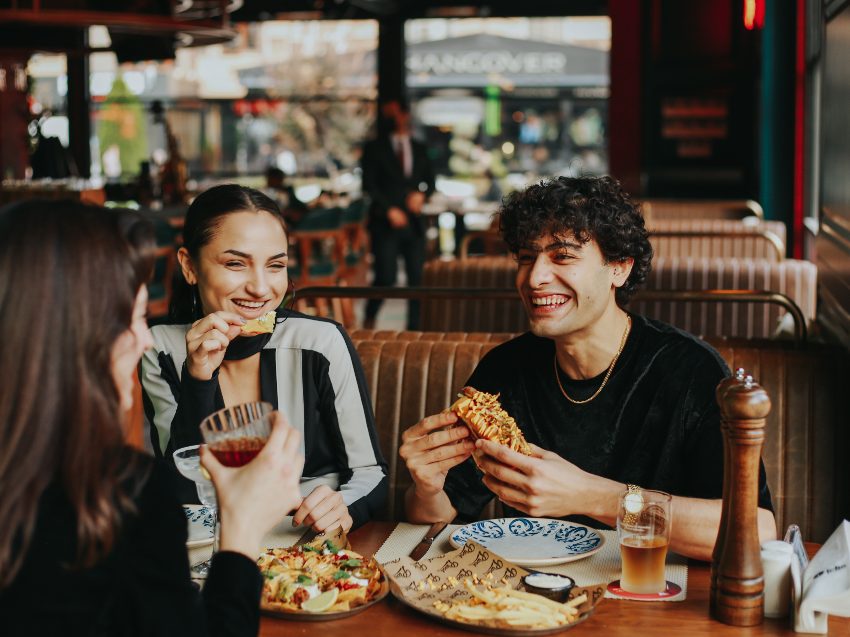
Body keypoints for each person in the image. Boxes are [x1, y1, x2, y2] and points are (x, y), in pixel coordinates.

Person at [399, 176, 776, 561]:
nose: (533, 278)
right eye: (527, 257)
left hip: (655, 592)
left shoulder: (690, 370)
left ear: (619, 268)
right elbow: (440, 516)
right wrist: (427, 488)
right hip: (531, 599)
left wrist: (594, 497)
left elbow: (757, 530)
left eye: (562, 256)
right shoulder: (505, 370)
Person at [0, 200, 304, 636]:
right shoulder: (122, 498)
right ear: (71, 333)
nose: (142, 340)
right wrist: (240, 529)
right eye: (132, 319)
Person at [140, 184, 387, 532]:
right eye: (235, 263)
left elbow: (370, 474)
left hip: (309, 545)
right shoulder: (160, 351)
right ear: (189, 266)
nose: (260, 287)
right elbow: (185, 490)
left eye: (275, 265)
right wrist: (198, 379)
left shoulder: (320, 342)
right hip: (213, 548)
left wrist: (341, 507)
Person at [361, 98, 435, 330]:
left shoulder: (420, 148)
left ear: (405, 114)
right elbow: (369, 185)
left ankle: (414, 328)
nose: (393, 119)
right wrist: (389, 209)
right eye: (387, 115)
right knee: (385, 277)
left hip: (414, 223)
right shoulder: (374, 148)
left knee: (417, 279)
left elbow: (430, 182)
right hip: (385, 224)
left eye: (395, 113)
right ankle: (370, 318)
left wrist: (421, 195)